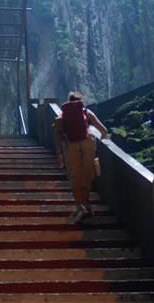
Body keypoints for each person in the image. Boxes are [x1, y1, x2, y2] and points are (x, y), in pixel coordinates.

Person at [53, 91, 108, 224]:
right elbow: (104, 131)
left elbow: (56, 131)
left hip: (71, 145)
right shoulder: (86, 112)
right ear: (80, 101)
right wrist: (99, 146)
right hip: (88, 142)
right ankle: (86, 204)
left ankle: (80, 207)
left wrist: (59, 153)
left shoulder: (63, 114)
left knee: (75, 177)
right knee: (87, 176)